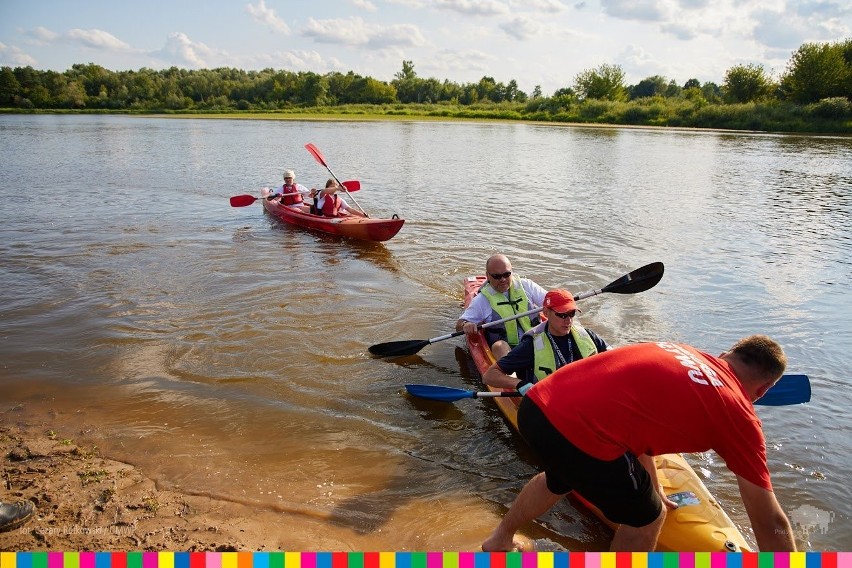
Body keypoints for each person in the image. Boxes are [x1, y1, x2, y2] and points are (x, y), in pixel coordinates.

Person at [481, 335, 797, 552]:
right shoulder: (740, 416)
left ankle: (500, 540)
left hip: (537, 408)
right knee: (648, 517)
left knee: (558, 479)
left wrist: (653, 484)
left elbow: (641, 424)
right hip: (580, 431)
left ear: (727, 353)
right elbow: (769, 521)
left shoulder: (681, 350)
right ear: (764, 390)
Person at [483, 288, 610, 392]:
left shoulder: (588, 336)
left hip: (583, 396)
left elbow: (615, 357)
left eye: (572, 314)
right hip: (548, 403)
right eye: (562, 315)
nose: (568, 320)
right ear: (546, 312)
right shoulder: (531, 344)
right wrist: (520, 384)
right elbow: (489, 376)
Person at [456, 254, 547, 359]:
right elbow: (459, 325)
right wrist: (466, 325)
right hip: (509, 351)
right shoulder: (482, 300)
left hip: (536, 340)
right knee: (500, 346)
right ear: (488, 276)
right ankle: (510, 375)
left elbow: (551, 301)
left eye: (507, 274)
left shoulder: (527, 286)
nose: (503, 279)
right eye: (497, 276)